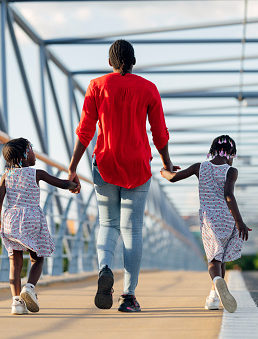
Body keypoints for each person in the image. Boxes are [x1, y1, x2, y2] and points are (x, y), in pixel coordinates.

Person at [67, 39, 178, 313]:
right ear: (134, 61)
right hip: (138, 166)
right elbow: (159, 133)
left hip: (105, 163)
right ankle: (129, 297)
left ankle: (105, 267)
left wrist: (72, 167)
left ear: (109, 62)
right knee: (132, 230)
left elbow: (85, 131)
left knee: (108, 224)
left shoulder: (97, 86)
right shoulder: (148, 89)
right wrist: (167, 163)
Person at [160, 135, 251, 313]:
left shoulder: (199, 167)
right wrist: (239, 222)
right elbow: (229, 195)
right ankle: (214, 298)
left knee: (213, 259)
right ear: (230, 154)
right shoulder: (231, 171)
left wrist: (165, 172)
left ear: (212, 151)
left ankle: (217, 281)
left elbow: (172, 178)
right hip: (227, 219)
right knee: (221, 258)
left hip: (210, 220)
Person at [0, 138, 77, 315]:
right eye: (31, 150)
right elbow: (61, 183)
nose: (34, 154)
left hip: (11, 220)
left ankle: (16, 302)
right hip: (32, 218)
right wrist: (74, 185)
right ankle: (30, 287)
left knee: (15, 263)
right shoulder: (36, 173)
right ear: (25, 155)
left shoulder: (6, 176)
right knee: (37, 258)